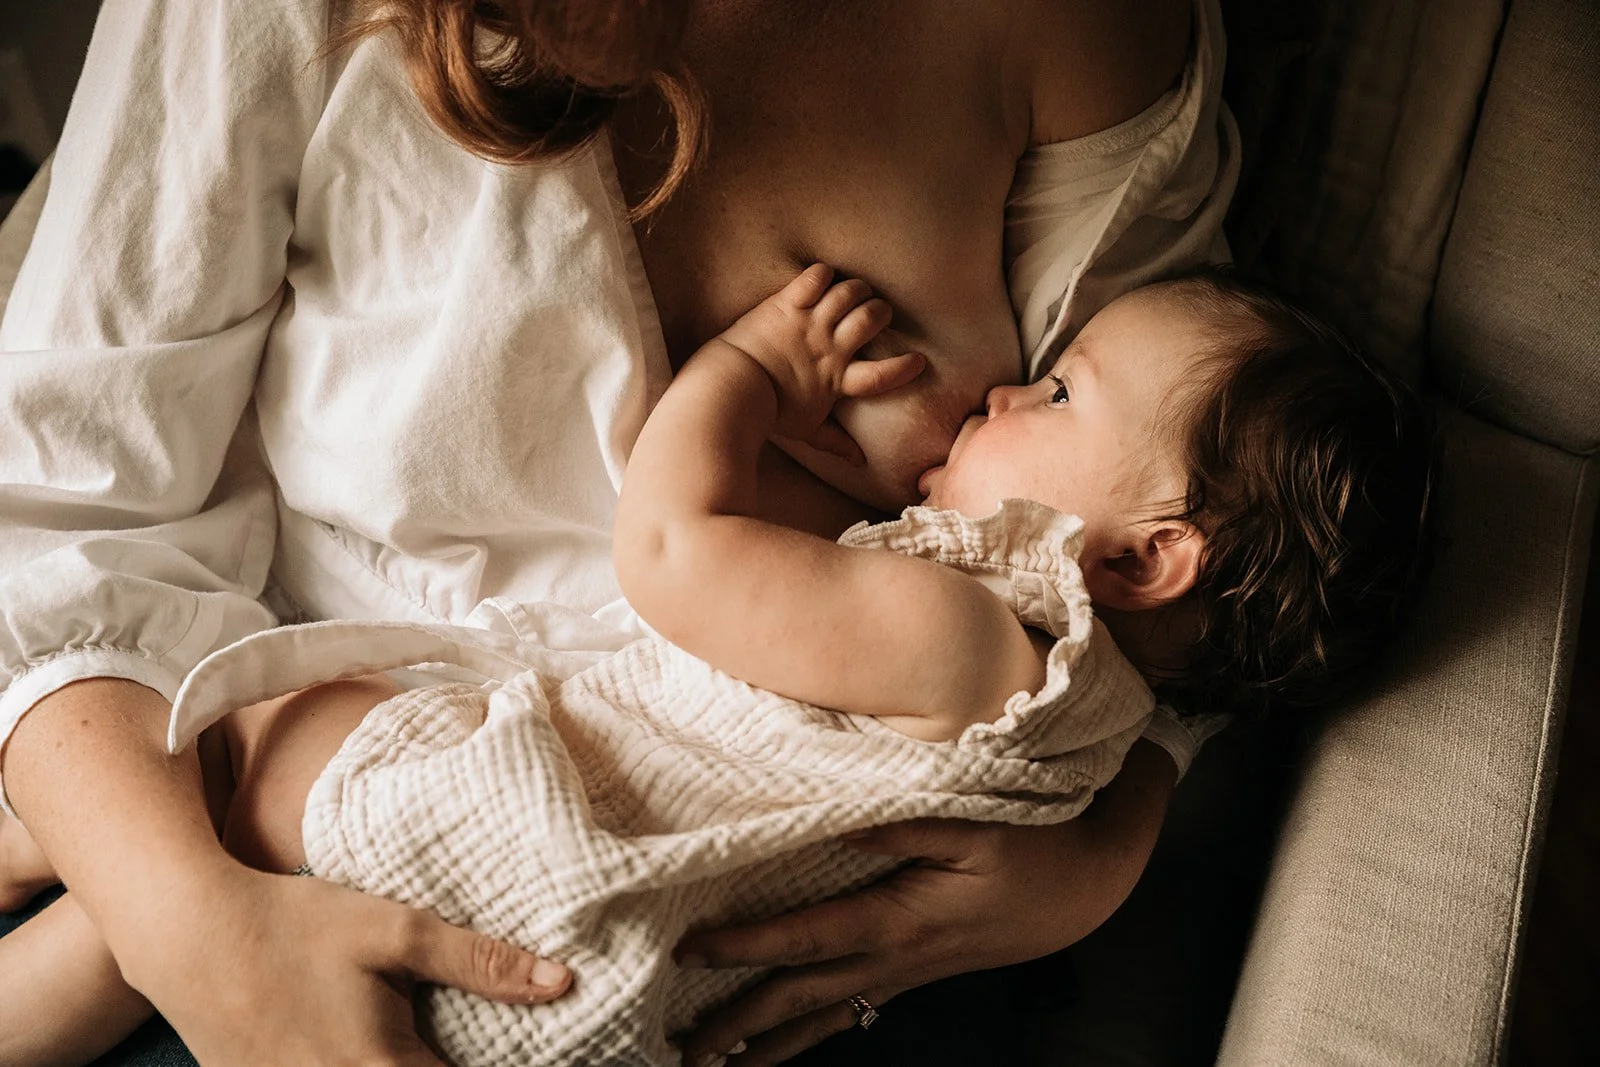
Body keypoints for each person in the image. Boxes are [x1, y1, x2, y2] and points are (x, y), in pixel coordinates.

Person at [0, 0, 1242, 1063]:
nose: (1010, 398)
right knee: (173, 865)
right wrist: (194, 925)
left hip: (750, 924)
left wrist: (1096, 852)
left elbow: (1189, 499)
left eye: (1046, 391)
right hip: (279, 780)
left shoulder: (1070, 30)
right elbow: (73, 505)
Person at [0, 263, 1437, 1067]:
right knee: (158, 901)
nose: (1006, 386)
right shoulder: (1084, 744)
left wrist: (744, 371)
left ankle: (50, 852)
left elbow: (673, 555)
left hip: (508, 865)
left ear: (1144, 558)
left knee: (259, 731)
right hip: (593, 1003)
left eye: (1058, 394)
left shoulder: (964, 636)